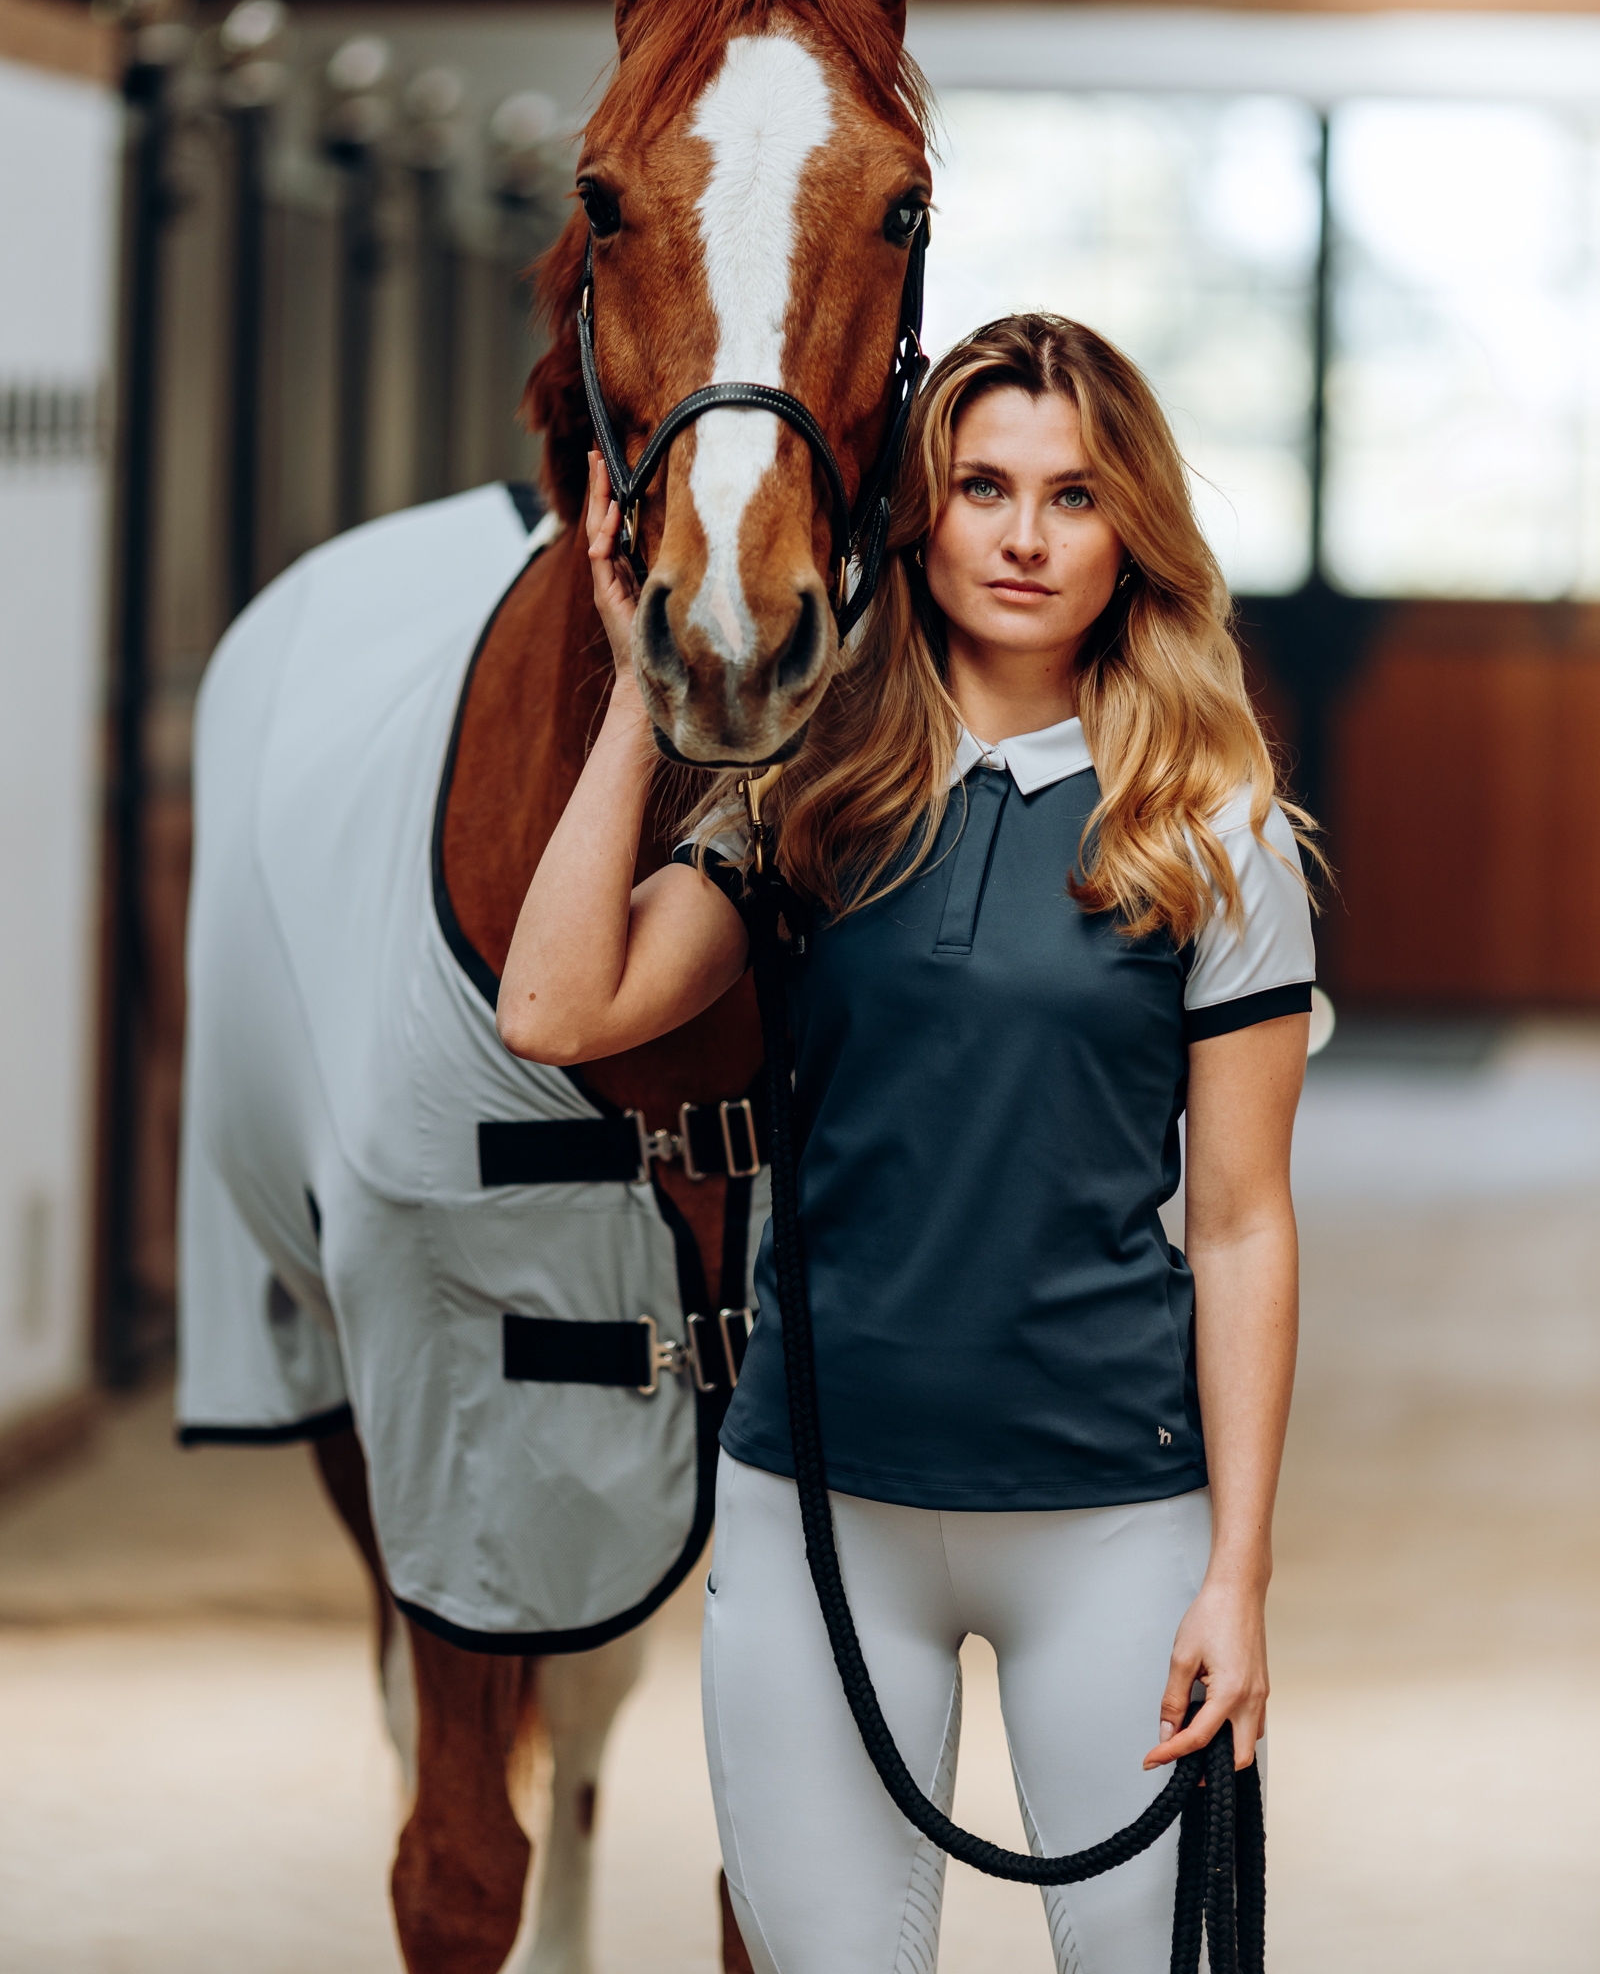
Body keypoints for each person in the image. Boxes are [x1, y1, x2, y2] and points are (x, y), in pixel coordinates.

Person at [499, 312, 1314, 1974]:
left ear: (1130, 534)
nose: (1023, 535)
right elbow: (555, 1009)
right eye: (983, 485)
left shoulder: (1213, 829)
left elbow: (1239, 1223)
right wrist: (645, 687)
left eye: (1075, 497)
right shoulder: (813, 795)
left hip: (1113, 1519)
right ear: (914, 516)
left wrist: (1238, 1575)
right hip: (815, 1516)